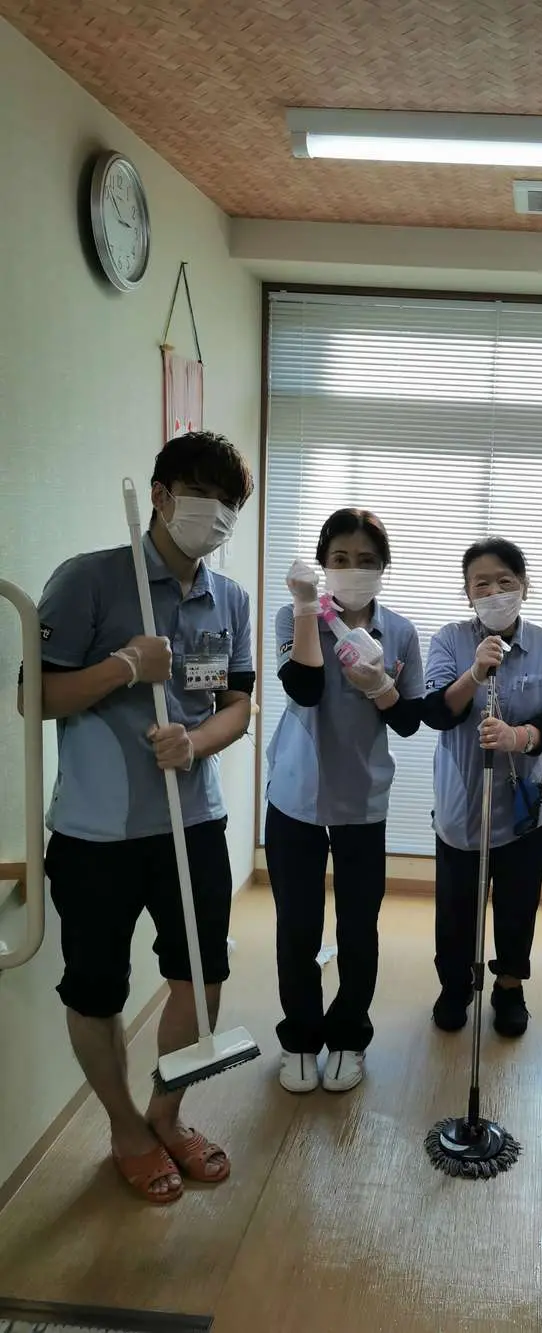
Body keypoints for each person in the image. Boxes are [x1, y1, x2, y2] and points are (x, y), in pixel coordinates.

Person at [20, 431, 255, 1205]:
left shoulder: (229, 600)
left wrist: (193, 742)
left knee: (202, 979)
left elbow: (237, 706)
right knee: (97, 990)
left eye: (229, 503)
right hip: (97, 835)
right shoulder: (88, 579)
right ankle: (125, 1128)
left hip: (194, 821)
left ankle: (166, 1114)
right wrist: (125, 665)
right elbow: (33, 696)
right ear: (159, 495)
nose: (217, 514)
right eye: (203, 496)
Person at [264, 508, 423, 1094]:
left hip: (361, 799)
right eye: (340, 558)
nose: (353, 569)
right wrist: (309, 606)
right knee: (297, 925)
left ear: (384, 567)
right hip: (296, 796)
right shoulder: (294, 614)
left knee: (358, 927)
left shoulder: (399, 632)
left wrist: (379, 685)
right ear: (321, 563)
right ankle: (300, 1039)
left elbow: (408, 720)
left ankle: (349, 1035)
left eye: (366, 560)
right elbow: (304, 689)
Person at [423, 538, 542, 1037]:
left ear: (524, 586)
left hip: (525, 802)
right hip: (463, 799)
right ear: (467, 592)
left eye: (505, 581)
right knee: (456, 905)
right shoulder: (449, 639)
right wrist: (474, 672)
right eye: (481, 584)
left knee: (517, 901)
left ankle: (509, 986)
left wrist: (517, 737)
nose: (493, 592)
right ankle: (455, 985)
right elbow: (436, 712)